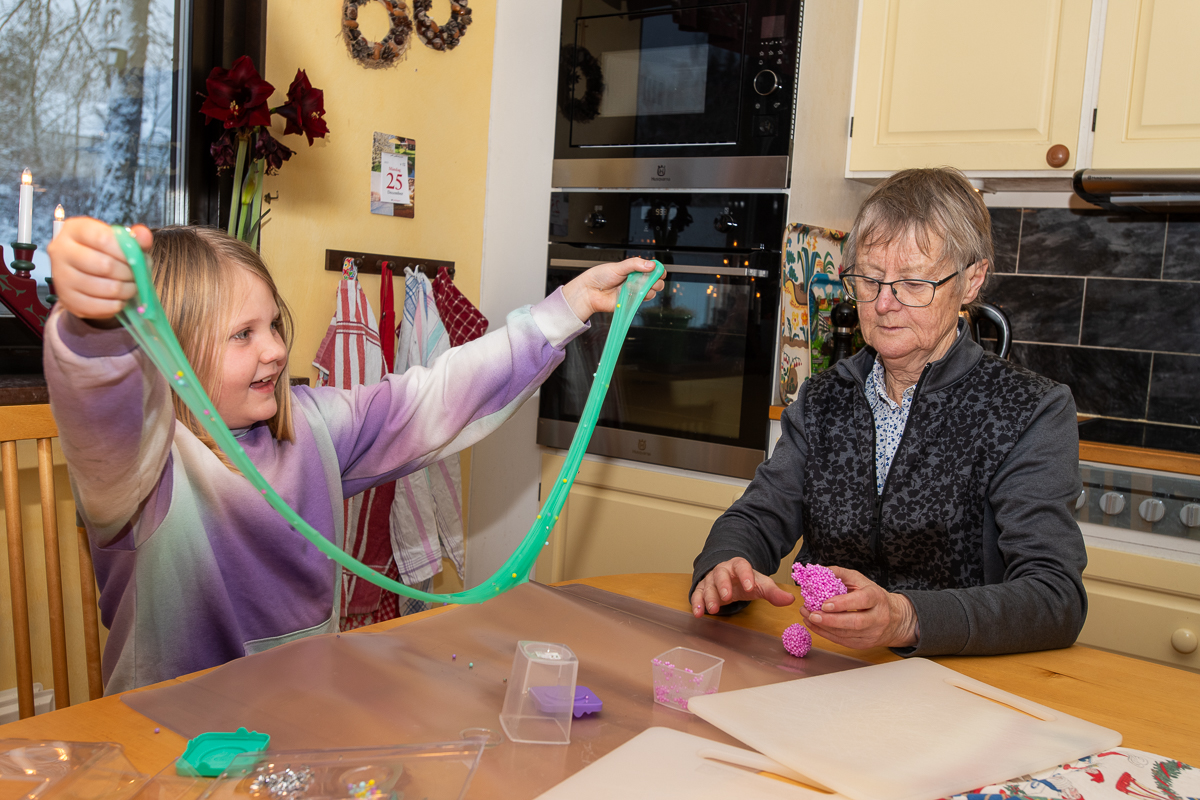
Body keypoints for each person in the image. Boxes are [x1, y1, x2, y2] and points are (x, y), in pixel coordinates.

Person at [46, 220, 663, 693]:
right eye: (243, 334)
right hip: (172, 748)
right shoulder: (139, 471)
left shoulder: (313, 426)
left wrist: (568, 308)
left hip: (300, 719)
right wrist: (94, 325)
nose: (276, 351)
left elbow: (435, 397)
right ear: (167, 350)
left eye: (274, 326)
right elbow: (101, 404)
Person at [690, 167, 1087, 656]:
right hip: (827, 667)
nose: (883, 304)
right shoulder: (824, 398)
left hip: (960, 685)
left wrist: (906, 619)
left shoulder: (1031, 410)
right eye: (868, 280)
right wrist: (726, 563)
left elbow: (1054, 597)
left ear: (971, 281)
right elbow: (757, 515)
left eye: (914, 282)